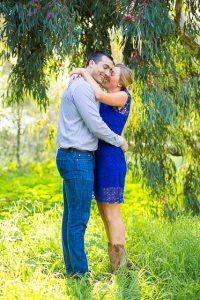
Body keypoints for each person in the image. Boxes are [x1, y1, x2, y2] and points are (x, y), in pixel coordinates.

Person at [56, 51, 128, 278]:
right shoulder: (85, 88)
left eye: (111, 70)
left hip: (94, 158)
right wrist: (120, 141)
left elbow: (98, 116)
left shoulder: (113, 94)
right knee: (76, 219)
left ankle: (116, 268)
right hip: (80, 158)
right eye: (106, 67)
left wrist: (83, 73)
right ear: (91, 64)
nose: (107, 73)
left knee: (77, 217)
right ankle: (79, 274)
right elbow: (96, 126)